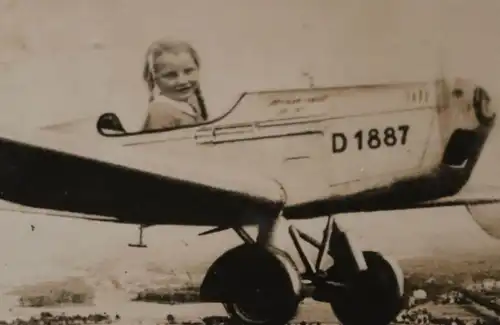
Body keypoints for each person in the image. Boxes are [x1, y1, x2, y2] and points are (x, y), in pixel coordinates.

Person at [141, 38, 209, 131]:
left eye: (188, 71)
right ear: (154, 79)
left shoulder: (189, 105)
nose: (182, 81)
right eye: (170, 75)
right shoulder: (161, 112)